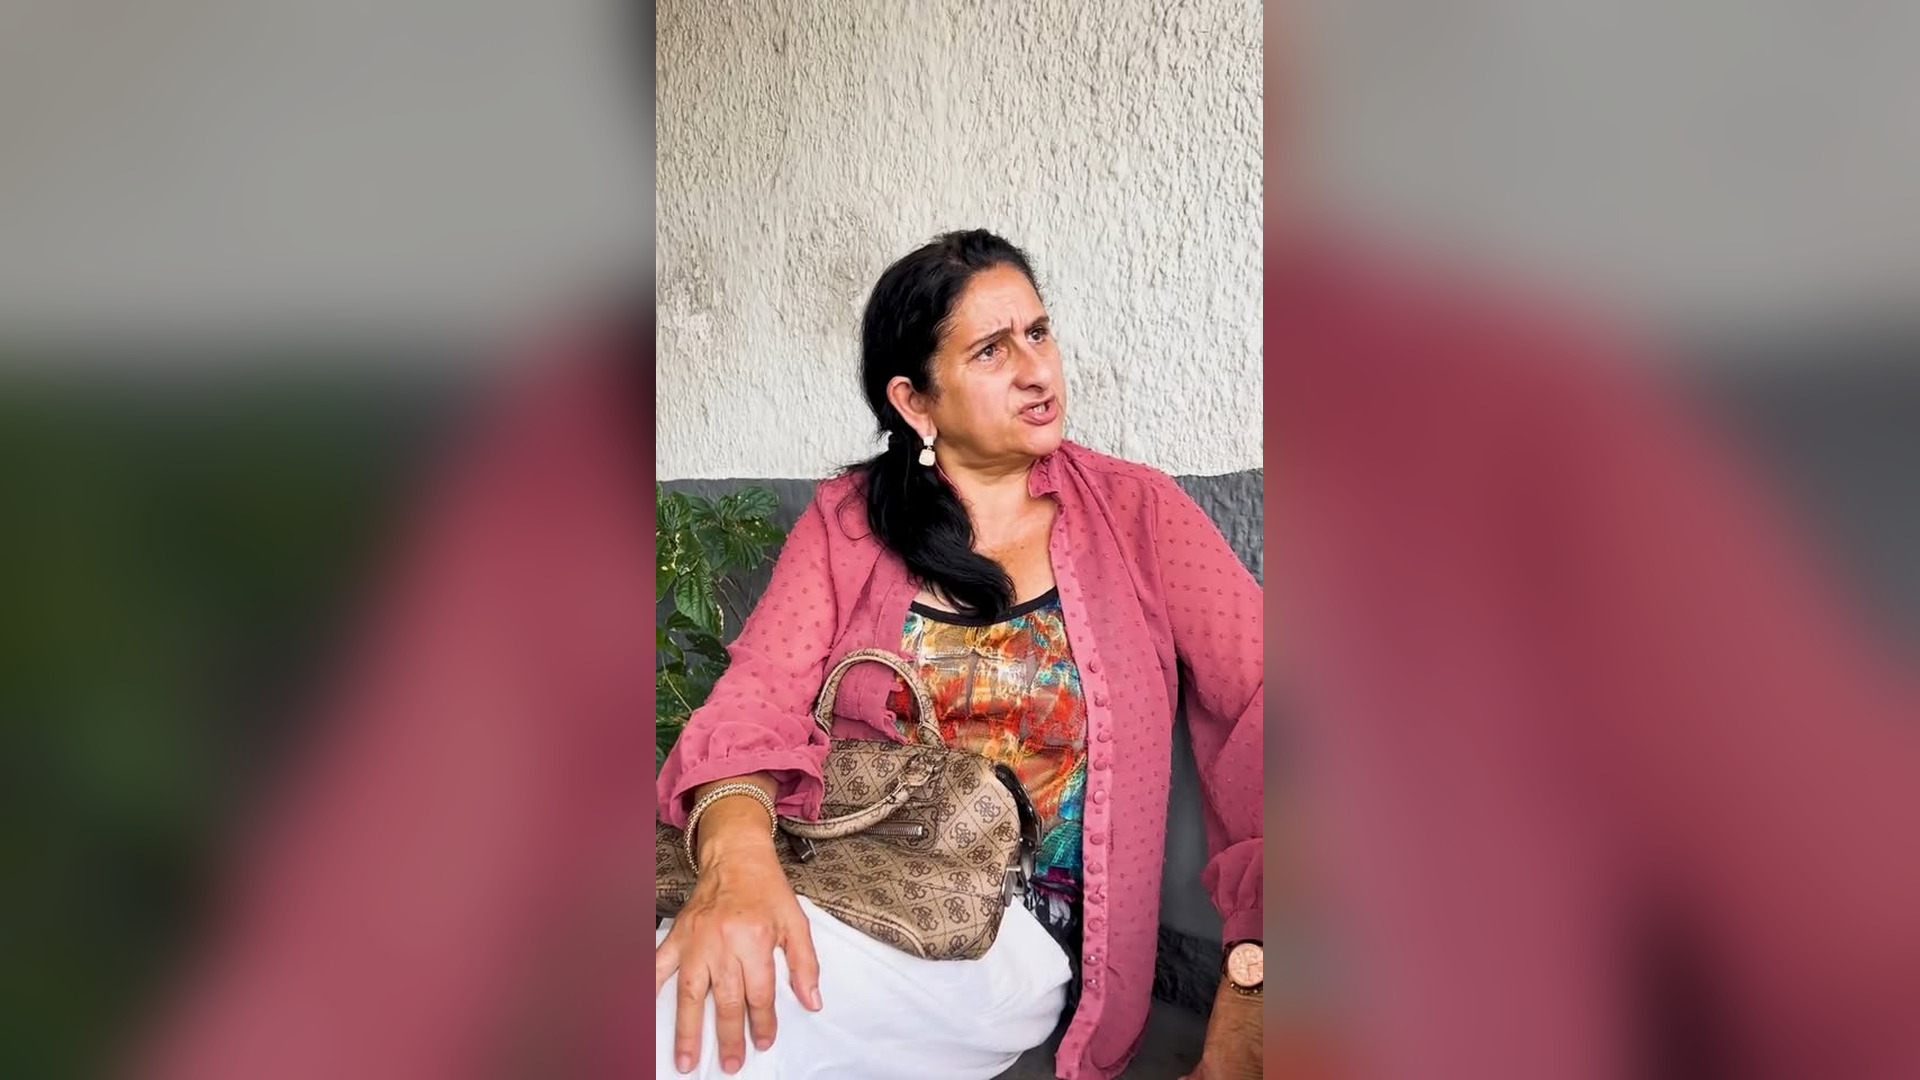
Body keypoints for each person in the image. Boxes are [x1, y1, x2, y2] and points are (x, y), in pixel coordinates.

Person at [653, 230, 1266, 1080]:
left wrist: (1254, 974)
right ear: (916, 402)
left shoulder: (1139, 516)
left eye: (1038, 333)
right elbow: (757, 695)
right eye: (991, 350)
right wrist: (737, 862)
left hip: (996, 934)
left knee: (712, 1025)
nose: (1037, 370)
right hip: (832, 870)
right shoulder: (849, 523)